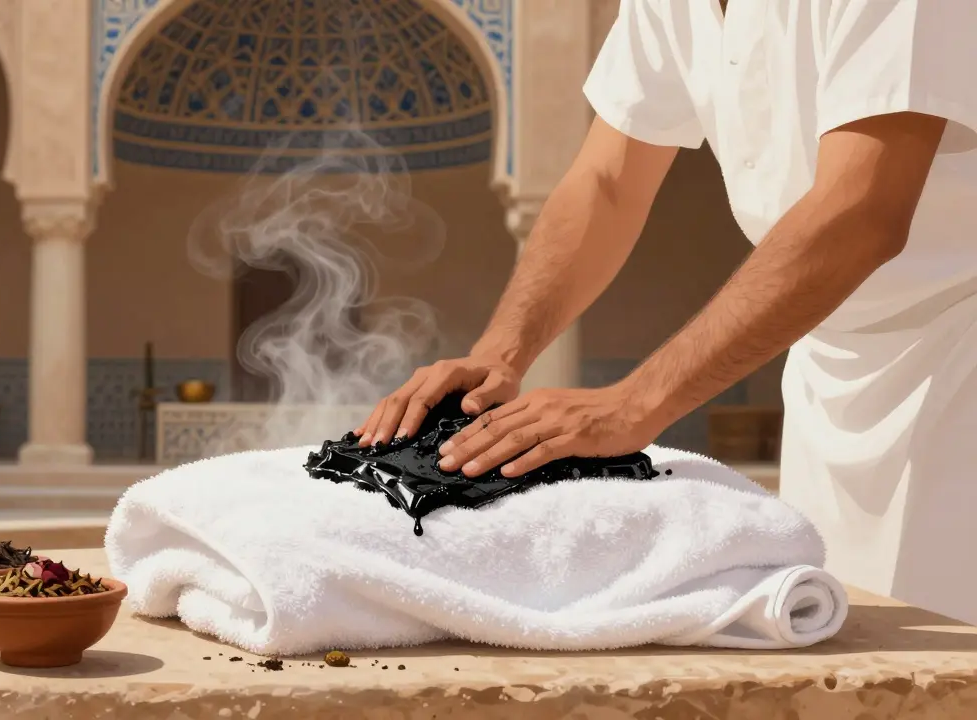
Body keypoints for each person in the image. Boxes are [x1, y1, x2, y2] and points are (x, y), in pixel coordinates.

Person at [356, 0, 977, 624]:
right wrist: (498, 354)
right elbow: (608, 182)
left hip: (961, 346)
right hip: (830, 368)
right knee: (856, 653)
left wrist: (633, 404)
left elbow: (860, 214)